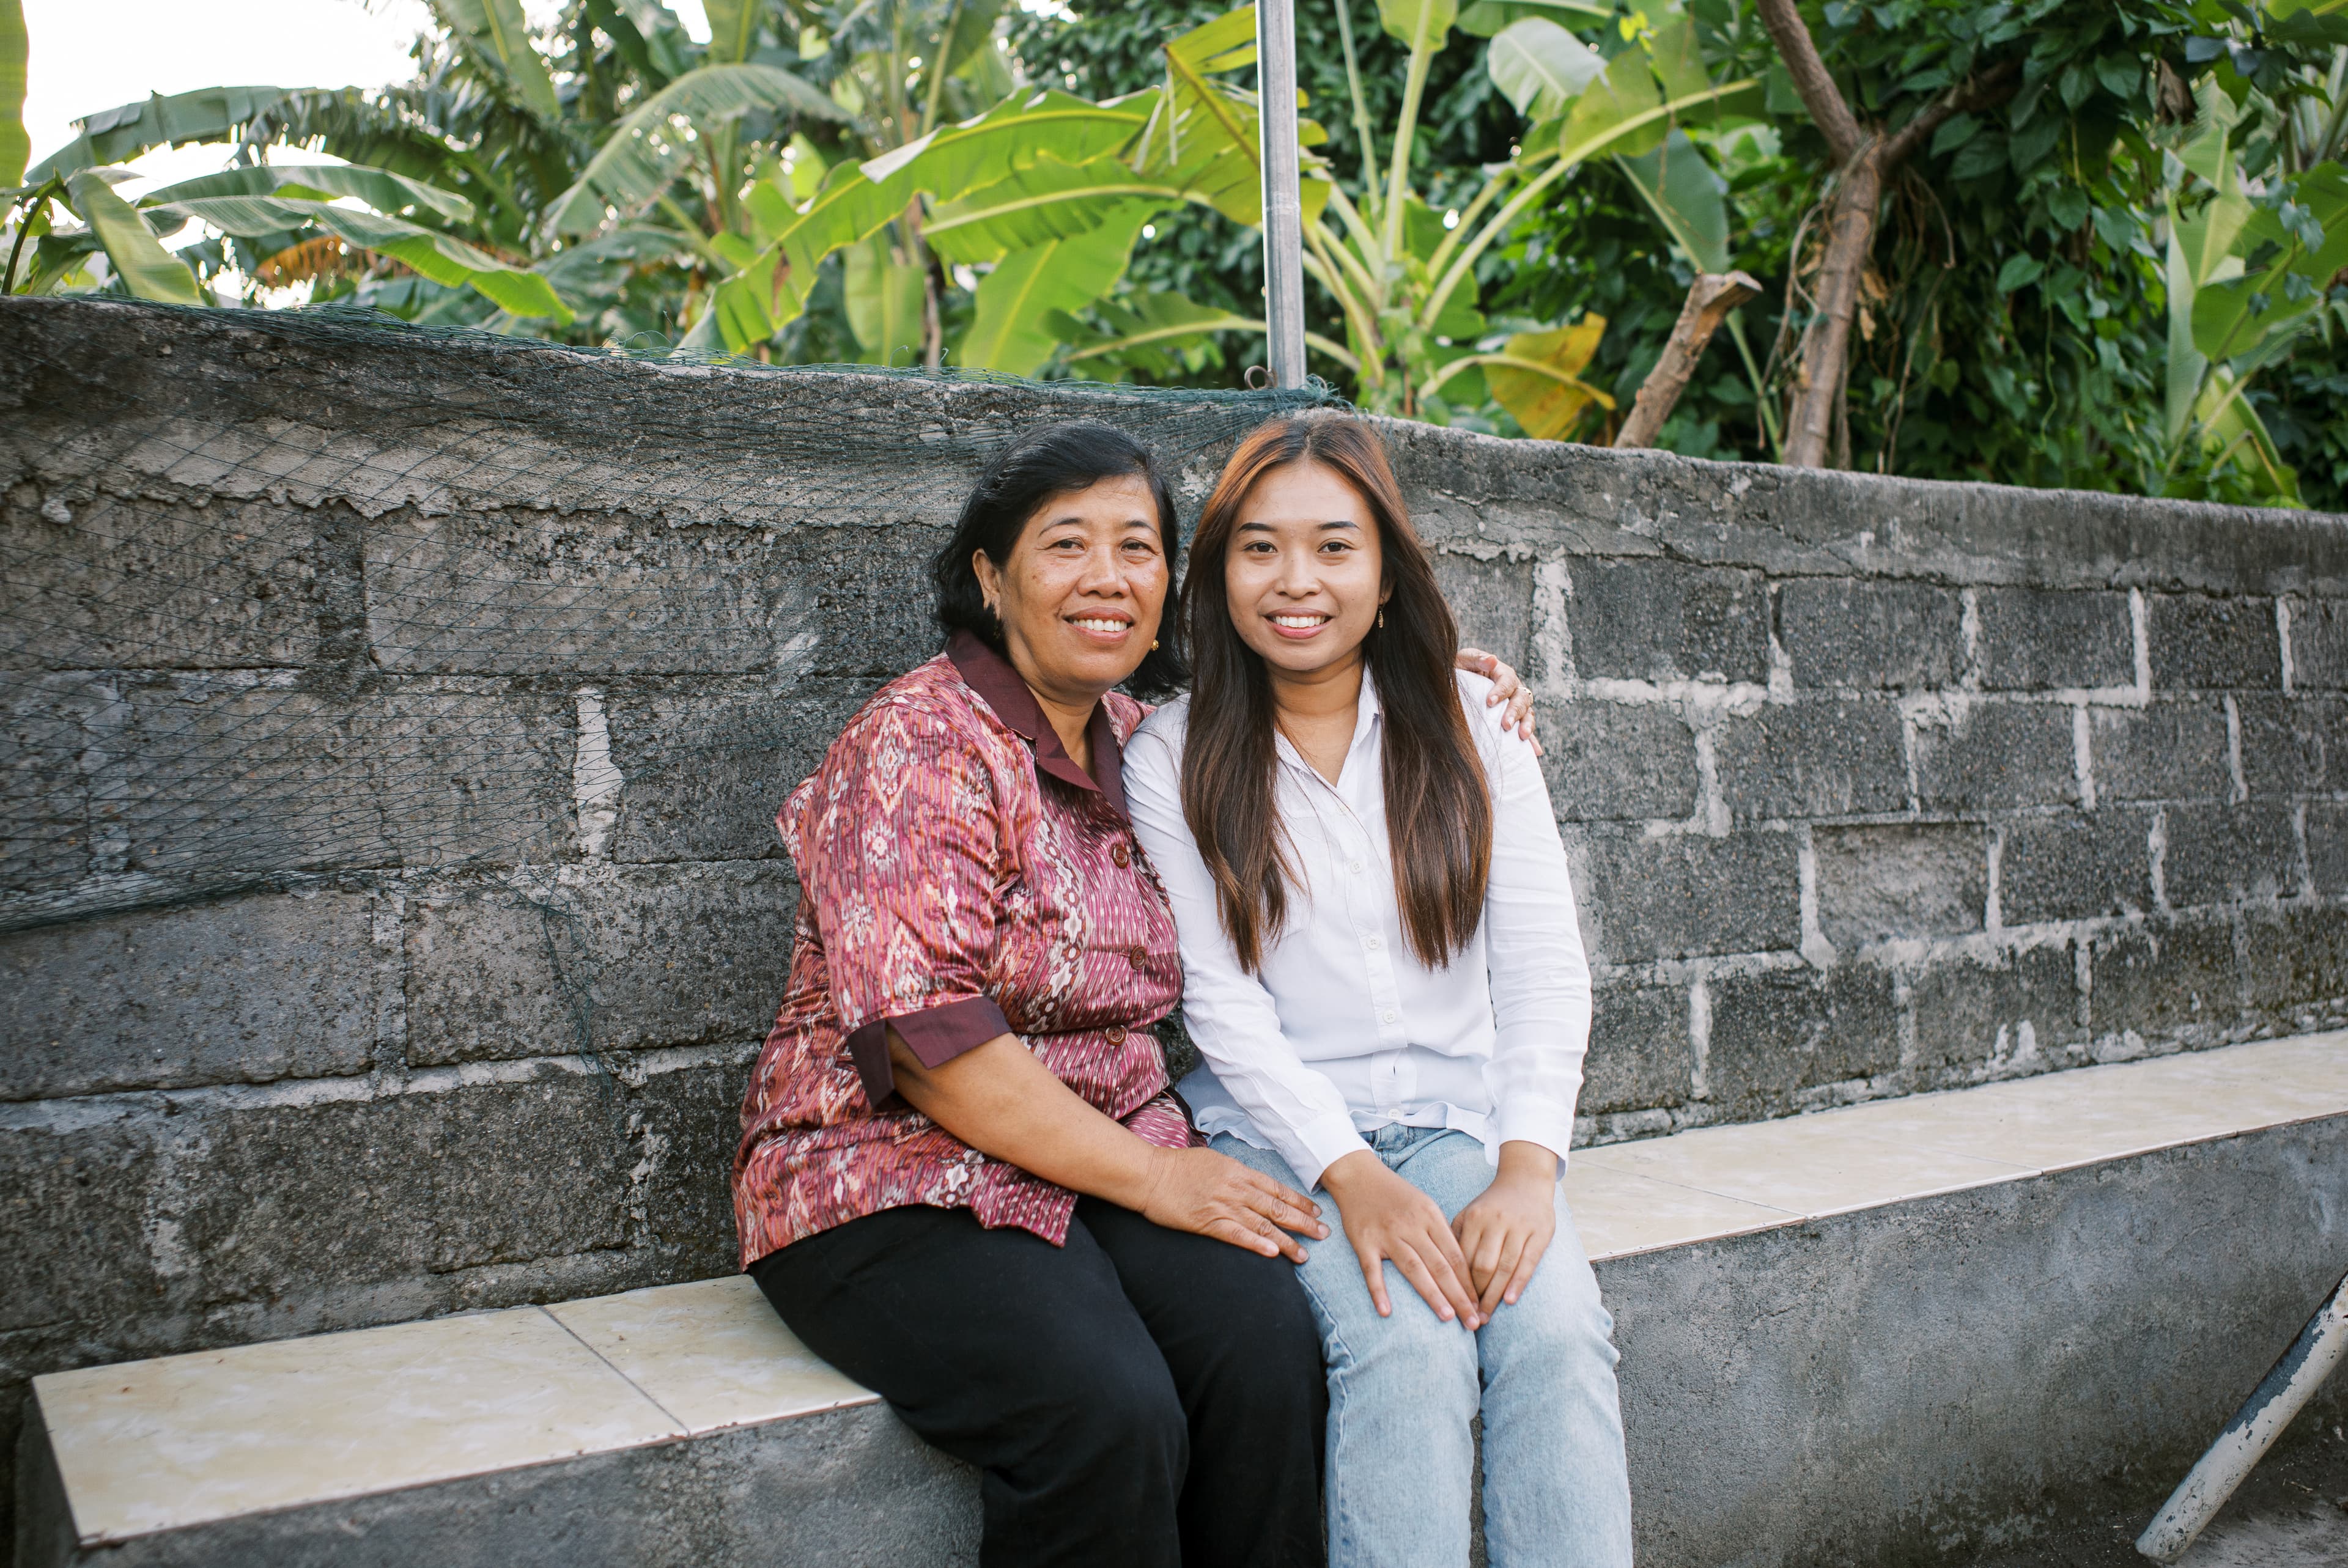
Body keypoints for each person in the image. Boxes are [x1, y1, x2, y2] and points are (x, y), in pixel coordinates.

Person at [731, 421, 1541, 1568]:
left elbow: (1312, 698)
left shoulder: (1144, 742)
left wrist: (1447, 679)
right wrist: (1161, 1179)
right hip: (888, 1179)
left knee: (1265, 1344)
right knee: (1104, 1411)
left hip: (1087, 1162)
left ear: (1171, 584)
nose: (1107, 577)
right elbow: (925, 1041)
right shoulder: (920, 740)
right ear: (991, 576)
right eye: (1067, 544)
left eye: (1139, 547)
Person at [1124, 414, 1634, 1568]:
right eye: (1259, 548)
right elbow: (1219, 1005)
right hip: (1278, 1139)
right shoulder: (1170, 752)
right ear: (1218, 575)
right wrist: (1350, 1177)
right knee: (1403, 1344)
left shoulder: (1471, 724)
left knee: (1555, 1332)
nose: (1295, 581)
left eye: (1334, 547)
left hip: (1458, 1128)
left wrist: (1526, 1169)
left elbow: (1548, 965)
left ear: (1389, 573)